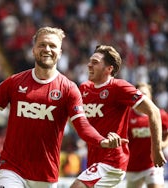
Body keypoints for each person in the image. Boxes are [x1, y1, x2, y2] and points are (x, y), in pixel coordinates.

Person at [0, 27, 127, 188]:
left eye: (53, 46)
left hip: (45, 175)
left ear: (60, 52)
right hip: (12, 169)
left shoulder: (69, 89)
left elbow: (82, 125)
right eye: (43, 45)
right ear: (34, 48)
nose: (47, 49)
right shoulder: (14, 83)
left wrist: (102, 141)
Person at [70, 45, 167, 188]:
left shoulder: (119, 87)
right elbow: (75, 120)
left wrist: (156, 149)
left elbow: (154, 111)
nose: (89, 65)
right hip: (95, 160)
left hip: (112, 161)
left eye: (95, 62)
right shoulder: (84, 89)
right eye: (90, 61)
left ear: (109, 69)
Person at [126, 82, 168, 188]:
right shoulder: (127, 116)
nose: (142, 97)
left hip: (153, 164)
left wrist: (162, 144)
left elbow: (167, 133)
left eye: (144, 93)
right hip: (133, 166)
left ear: (150, 96)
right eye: (139, 94)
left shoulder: (160, 114)